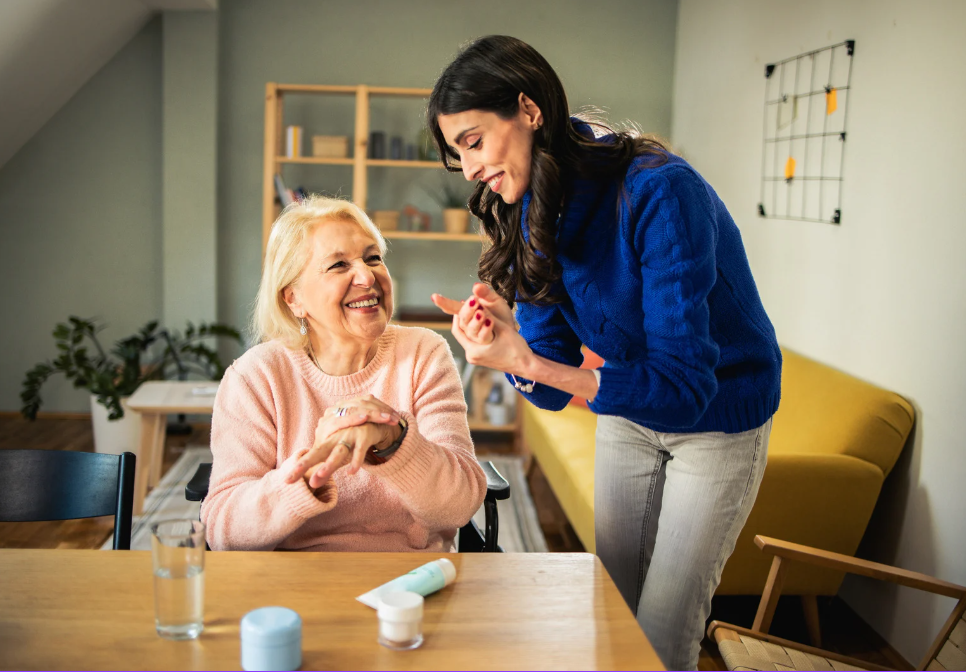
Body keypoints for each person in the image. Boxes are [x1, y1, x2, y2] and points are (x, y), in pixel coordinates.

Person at [428, 35, 781, 670]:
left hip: (719, 415)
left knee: (663, 634)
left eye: (474, 142)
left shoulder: (660, 191)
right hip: (630, 404)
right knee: (611, 607)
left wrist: (529, 363)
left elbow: (685, 388)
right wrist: (511, 348)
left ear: (529, 110)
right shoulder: (527, 205)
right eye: (460, 155)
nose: (471, 169)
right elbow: (552, 384)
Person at [202, 195, 487, 553]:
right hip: (295, 576)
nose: (367, 276)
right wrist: (305, 477)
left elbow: (459, 507)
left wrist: (394, 441)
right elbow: (223, 531)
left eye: (373, 258)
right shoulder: (256, 377)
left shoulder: (423, 353)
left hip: (412, 575)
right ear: (293, 299)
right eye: (338, 265)